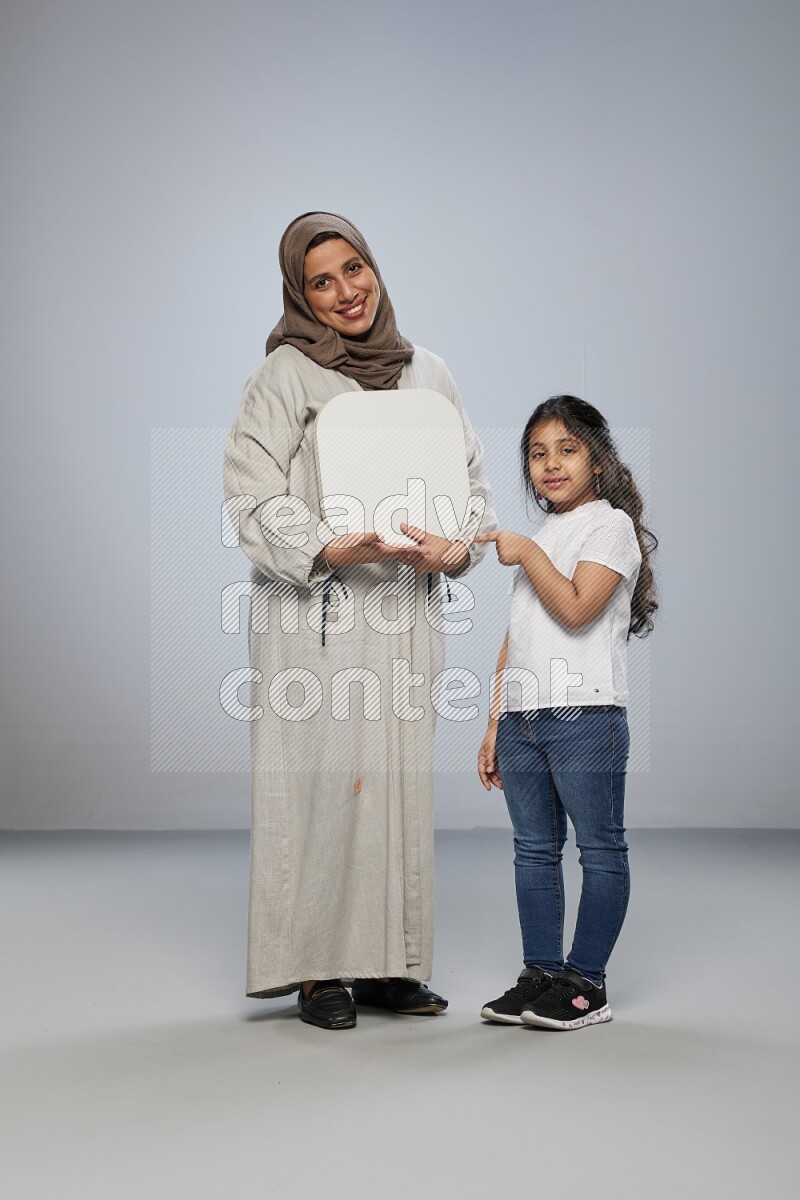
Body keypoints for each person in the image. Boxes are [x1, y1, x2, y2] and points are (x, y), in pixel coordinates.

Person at [223, 211, 497, 1029]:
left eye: (355, 269)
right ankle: (316, 972)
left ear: (375, 268)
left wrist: (455, 548)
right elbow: (249, 491)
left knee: (396, 786)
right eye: (322, 281)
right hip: (321, 610)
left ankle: (390, 965)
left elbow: (471, 486)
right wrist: (324, 545)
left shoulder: (429, 374)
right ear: (299, 295)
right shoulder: (285, 377)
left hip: (403, 608)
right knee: (321, 785)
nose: (346, 291)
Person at [474, 395, 657, 1030]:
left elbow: (577, 608)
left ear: (597, 462)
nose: (550, 464)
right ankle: (542, 974)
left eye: (567, 449)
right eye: (536, 453)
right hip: (526, 718)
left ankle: (587, 983)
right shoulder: (547, 534)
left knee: (600, 849)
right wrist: (496, 721)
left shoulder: (609, 527)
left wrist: (525, 553)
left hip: (585, 714)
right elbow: (516, 637)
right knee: (533, 850)